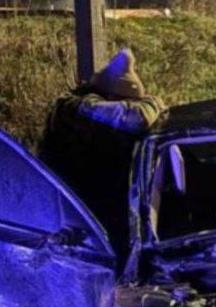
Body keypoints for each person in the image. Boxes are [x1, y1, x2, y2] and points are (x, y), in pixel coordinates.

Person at [39, 48, 166, 254]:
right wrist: (154, 103)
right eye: (124, 101)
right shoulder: (74, 107)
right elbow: (135, 117)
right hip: (68, 206)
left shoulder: (88, 113)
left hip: (89, 206)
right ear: (111, 96)